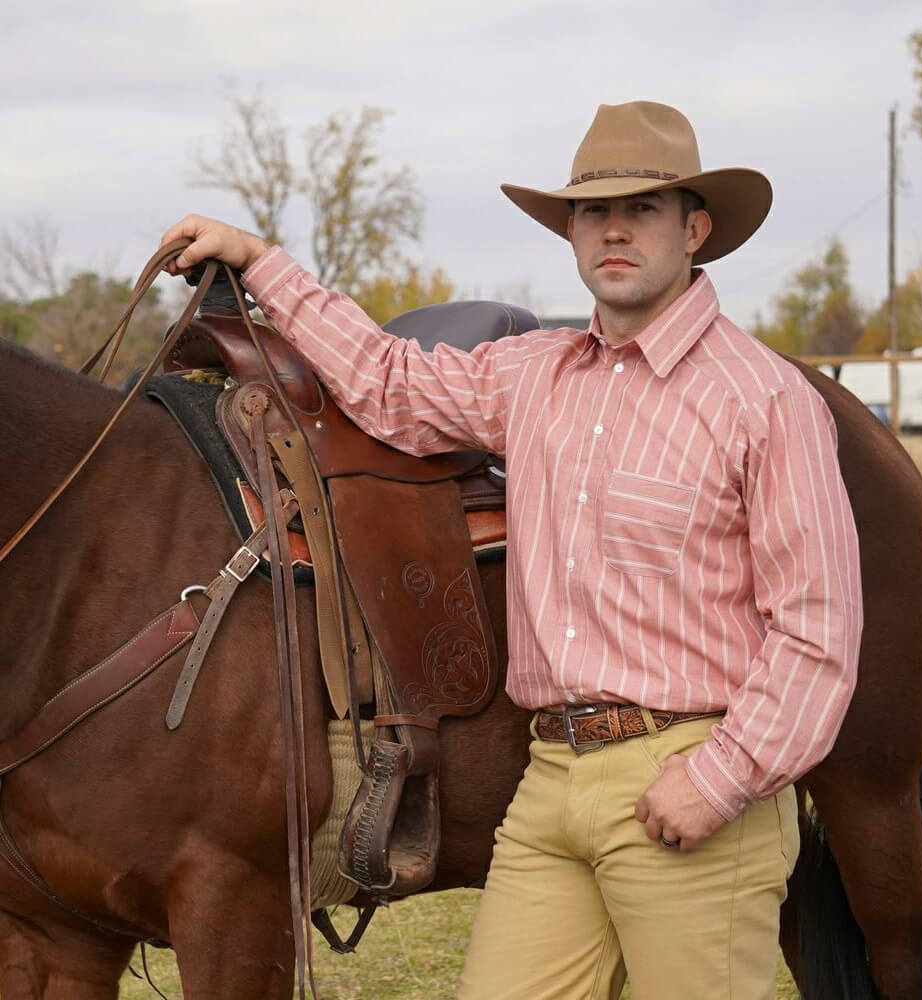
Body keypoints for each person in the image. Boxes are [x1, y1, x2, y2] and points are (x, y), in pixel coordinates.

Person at [161, 101, 862, 1000]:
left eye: (643, 209)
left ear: (696, 229)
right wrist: (263, 262)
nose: (613, 229)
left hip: (691, 768)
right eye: (591, 211)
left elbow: (819, 630)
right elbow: (388, 379)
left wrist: (721, 781)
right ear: (570, 233)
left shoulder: (762, 401)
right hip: (551, 782)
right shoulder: (534, 375)